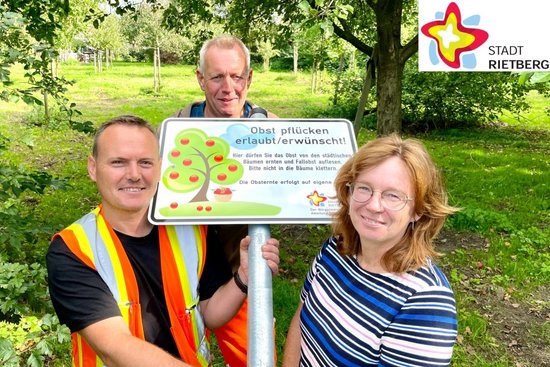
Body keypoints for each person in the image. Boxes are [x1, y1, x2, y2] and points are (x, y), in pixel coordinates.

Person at [46, 115, 280, 367]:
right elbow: (114, 348)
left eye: (145, 162)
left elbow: (211, 312)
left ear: (160, 168)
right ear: (93, 167)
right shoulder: (73, 248)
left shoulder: (191, 229)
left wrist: (243, 278)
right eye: (118, 162)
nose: (134, 174)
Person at [282, 133, 459, 366]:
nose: (374, 205)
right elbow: (301, 320)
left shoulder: (426, 303)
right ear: (349, 192)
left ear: (418, 210)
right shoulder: (335, 250)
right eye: (364, 188)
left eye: (393, 195)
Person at [171, 34, 278, 366]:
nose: (228, 87)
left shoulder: (271, 127)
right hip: (185, 262)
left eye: (236, 76)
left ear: (249, 78)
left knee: (251, 355)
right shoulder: (179, 124)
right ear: (201, 79)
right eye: (217, 76)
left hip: (238, 260)